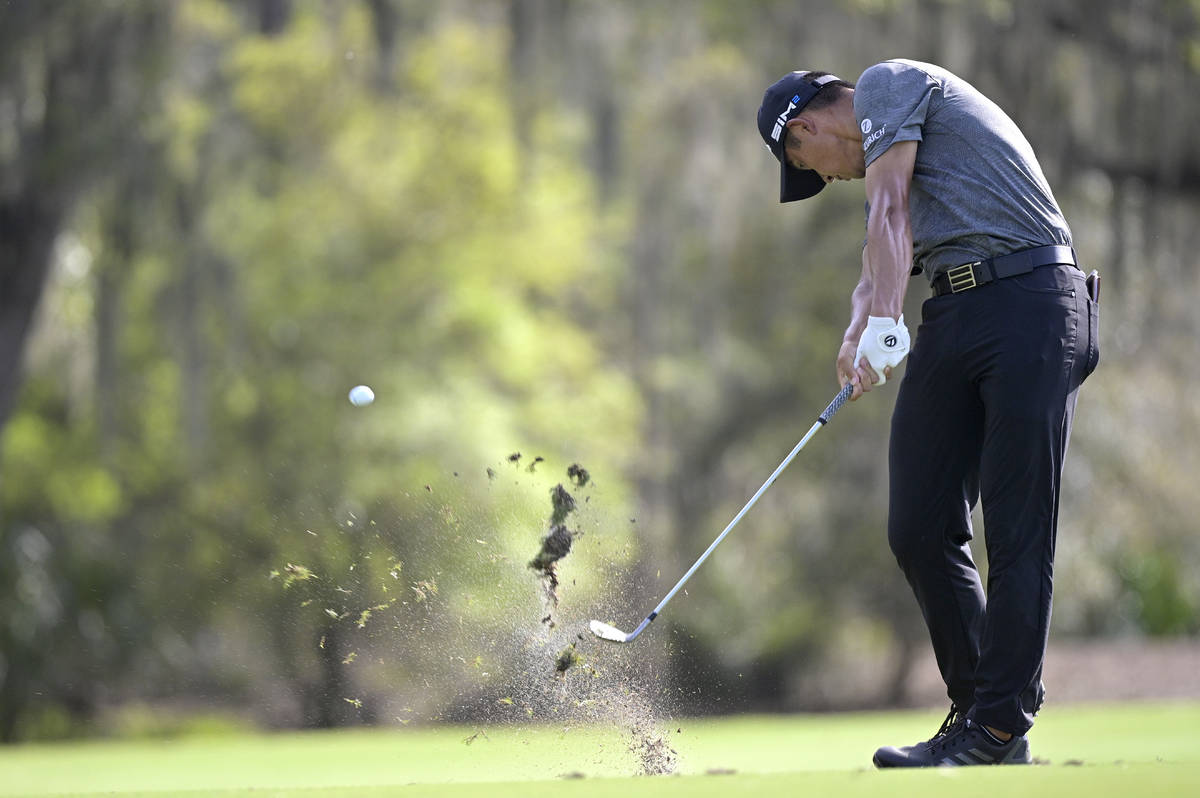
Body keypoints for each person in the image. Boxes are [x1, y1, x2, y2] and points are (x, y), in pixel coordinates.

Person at [756, 60, 1099, 767]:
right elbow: (878, 252)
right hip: (957, 310)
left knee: (1015, 529)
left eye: (804, 163)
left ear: (807, 126)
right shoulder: (891, 166)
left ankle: (999, 727)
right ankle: (978, 713)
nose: (821, 177)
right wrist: (858, 334)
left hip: (1032, 301)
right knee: (917, 524)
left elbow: (888, 216)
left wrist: (886, 321)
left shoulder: (887, 84)